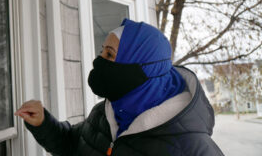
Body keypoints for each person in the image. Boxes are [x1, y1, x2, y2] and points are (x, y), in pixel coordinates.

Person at [15, 19, 224, 156]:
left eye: (109, 54)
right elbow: (73, 145)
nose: (98, 61)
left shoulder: (193, 148)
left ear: (140, 66)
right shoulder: (105, 113)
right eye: (101, 52)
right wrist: (43, 123)